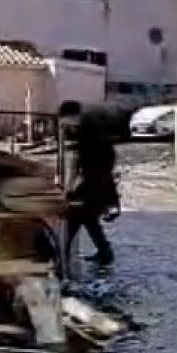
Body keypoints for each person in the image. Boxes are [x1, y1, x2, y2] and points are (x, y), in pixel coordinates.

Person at [60, 100, 118, 266]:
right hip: (99, 181)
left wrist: (68, 187)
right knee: (88, 218)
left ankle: (62, 254)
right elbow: (109, 157)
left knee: (73, 219)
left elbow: (74, 160)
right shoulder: (94, 128)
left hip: (86, 184)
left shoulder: (74, 130)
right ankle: (104, 252)